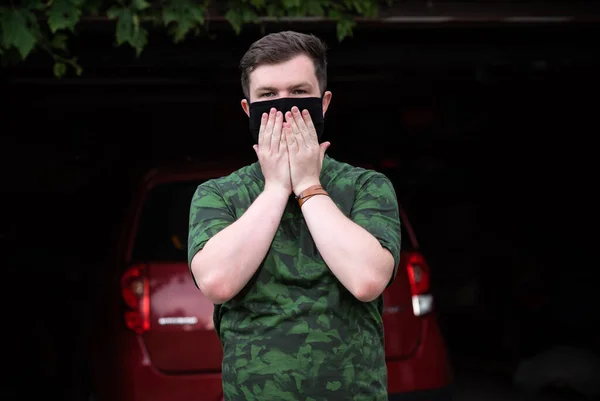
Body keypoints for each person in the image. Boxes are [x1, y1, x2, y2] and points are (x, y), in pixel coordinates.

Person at [188, 30, 402, 401]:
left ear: (325, 102)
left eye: (299, 93)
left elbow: (367, 280)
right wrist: (274, 189)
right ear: (247, 109)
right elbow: (217, 283)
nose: (283, 107)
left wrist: (306, 184)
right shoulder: (218, 194)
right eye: (268, 96)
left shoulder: (366, 186)